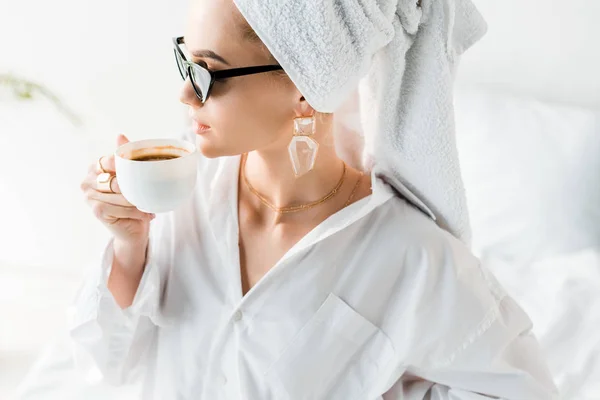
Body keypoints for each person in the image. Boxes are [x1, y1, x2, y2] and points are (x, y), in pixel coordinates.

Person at [71, 0, 558, 398]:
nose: (184, 94)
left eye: (208, 74)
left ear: (304, 92)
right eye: (185, 60)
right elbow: (109, 363)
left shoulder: (412, 256)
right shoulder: (185, 197)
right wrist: (130, 244)